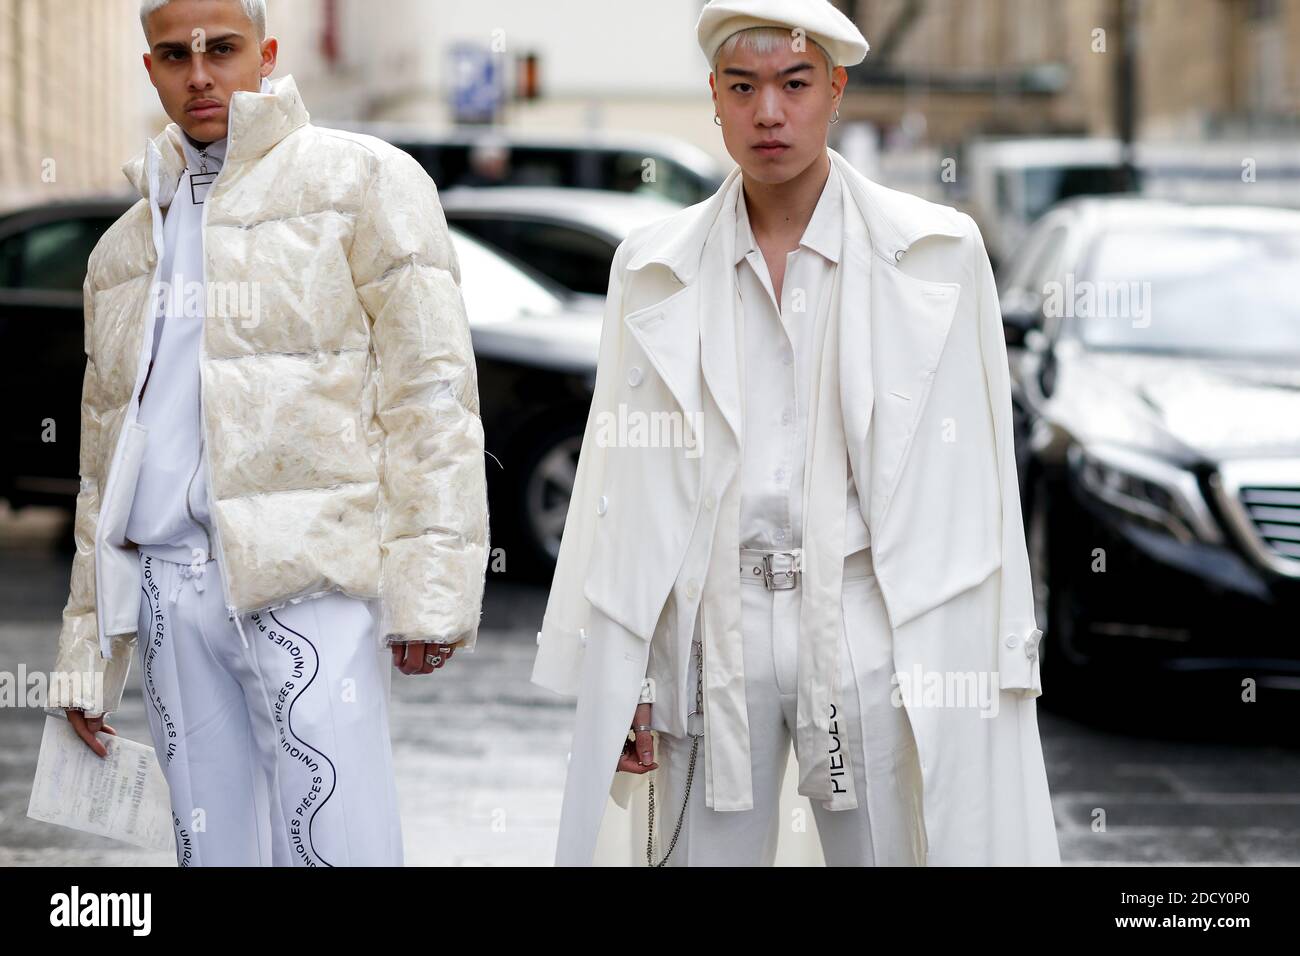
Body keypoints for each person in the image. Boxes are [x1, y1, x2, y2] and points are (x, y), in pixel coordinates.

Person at [532, 0, 1060, 866]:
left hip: (867, 617)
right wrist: (617, 666)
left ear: (836, 90)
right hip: (711, 626)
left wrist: (1003, 657)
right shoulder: (652, 264)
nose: (768, 112)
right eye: (743, 87)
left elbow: (987, 481)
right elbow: (611, 480)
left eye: (794, 84)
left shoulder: (938, 252)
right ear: (714, 96)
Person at [46, 0, 488, 866]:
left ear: (267, 53)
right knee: (209, 851)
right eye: (175, 54)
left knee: (340, 844)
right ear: (151, 69)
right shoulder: (125, 248)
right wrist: (83, 654)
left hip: (309, 580)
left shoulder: (363, 181)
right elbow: (103, 466)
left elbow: (430, 395)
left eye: (222, 48)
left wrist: (429, 590)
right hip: (170, 589)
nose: (200, 72)